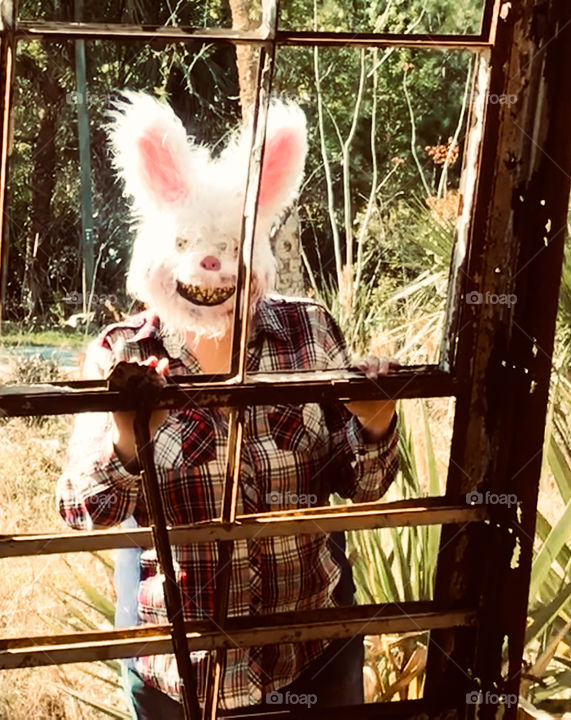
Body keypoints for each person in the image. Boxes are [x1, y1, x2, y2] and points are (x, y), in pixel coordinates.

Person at [56, 92, 400, 717]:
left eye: (230, 245)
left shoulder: (309, 331)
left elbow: (360, 484)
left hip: (312, 654)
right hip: (180, 671)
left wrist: (375, 425)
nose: (212, 265)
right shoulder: (122, 352)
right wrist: (130, 435)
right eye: (191, 242)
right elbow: (85, 509)